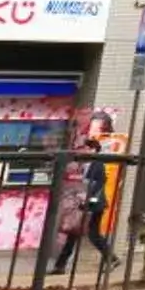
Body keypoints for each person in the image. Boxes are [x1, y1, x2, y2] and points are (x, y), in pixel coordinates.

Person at [53, 114, 118, 273]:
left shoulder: (97, 164)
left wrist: (89, 200)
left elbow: (99, 183)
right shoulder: (83, 165)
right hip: (83, 204)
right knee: (73, 233)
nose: (84, 150)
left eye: (88, 148)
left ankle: (112, 258)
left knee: (92, 234)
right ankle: (60, 266)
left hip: (94, 205)